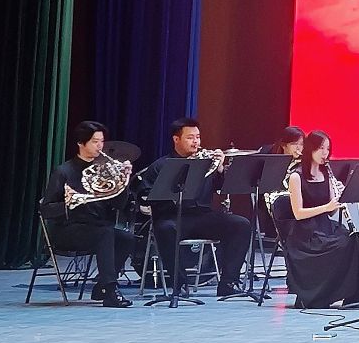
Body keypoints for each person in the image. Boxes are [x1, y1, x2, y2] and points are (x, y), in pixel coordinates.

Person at [136, 117, 253, 299]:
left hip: (202, 216)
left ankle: (229, 283)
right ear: (176, 139)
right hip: (171, 217)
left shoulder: (206, 162)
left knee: (241, 224)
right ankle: (180, 285)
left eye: (198, 137)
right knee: (165, 229)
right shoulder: (161, 165)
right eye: (190, 138)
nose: (196, 142)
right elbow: (145, 195)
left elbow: (221, 188)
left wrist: (220, 168)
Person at [38, 120, 136, 307]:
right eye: (95, 142)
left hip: (97, 227)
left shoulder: (104, 170)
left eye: (101, 142)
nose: (100, 146)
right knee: (105, 233)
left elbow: (119, 204)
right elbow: (47, 209)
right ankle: (110, 290)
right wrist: (71, 204)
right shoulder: (64, 171)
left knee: (127, 238)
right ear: (81, 143)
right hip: (68, 230)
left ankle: (102, 286)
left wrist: (124, 181)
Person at [277, 129, 359, 309]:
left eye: (327, 149)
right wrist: (326, 207)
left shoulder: (326, 173)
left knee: (353, 239)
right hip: (305, 232)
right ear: (310, 149)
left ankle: (353, 295)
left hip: (324, 226)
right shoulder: (296, 176)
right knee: (338, 245)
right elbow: (298, 213)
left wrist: (339, 199)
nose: (325, 153)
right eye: (320, 148)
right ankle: (319, 295)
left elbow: (331, 213)